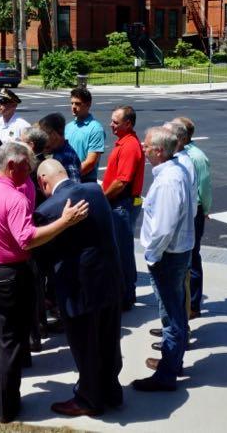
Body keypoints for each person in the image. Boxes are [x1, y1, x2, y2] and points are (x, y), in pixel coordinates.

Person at [0, 141, 89, 424]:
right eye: (27, 167)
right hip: (8, 275)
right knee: (10, 342)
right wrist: (65, 222)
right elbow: (28, 238)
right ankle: (8, 408)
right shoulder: (15, 198)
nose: (31, 173)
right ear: (12, 166)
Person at [34, 158, 123, 417]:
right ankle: (112, 391)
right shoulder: (95, 190)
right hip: (109, 280)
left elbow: (42, 257)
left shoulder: (49, 209)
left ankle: (88, 399)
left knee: (85, 346)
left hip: (79, 289)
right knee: (108, 341)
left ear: (43, 182)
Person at [133, 126, 194, 393]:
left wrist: (153, 256)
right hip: (175, 253)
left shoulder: (169, 180)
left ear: (158, 151)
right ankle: (173, 361)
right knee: (175, 312)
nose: (143, 150)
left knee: (172, 316)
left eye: (146, 146)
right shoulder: (176, 171)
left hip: (168, 256)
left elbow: (164, 227)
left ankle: (166, 374)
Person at [101, 105, 145, 311]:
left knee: (122, 252)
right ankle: (125, 292)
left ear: (128, 123)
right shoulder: (125, 142)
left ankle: (126, 295)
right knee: (119, 250)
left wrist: (102, 198)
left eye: (115, 122)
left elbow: (121, 182)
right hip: (119, 204)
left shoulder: (129, 146)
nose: (111, 125)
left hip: (120, 205)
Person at [173, 116, 211, 319]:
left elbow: (204, 187)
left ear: (183, 135)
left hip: (194, 211)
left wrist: (205, 209)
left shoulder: (196, 156)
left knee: (192, 259)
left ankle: (193, 305)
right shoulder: (180, 153)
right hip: (188, 211)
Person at [65, 88, 105, 183]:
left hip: (85, 181)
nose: (73, 107)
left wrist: (69, 177)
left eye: (78, 103)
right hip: (68, 180)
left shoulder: (96, 129)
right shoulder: (68, 127)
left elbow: (90, 163)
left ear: (88, 105)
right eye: (72, 103)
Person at [39, 113, 81, 183]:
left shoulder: (66, 157)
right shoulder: (56, 152)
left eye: (44, 134)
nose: (42, 139)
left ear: (54, 134)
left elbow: (74, 186)